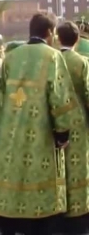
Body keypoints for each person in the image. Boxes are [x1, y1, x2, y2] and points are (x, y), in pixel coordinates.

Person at [0, 14, 82, 235]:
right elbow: (60, 97)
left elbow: (1, 94)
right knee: (40, 177)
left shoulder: (11, 56)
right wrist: (62, 132)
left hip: (12, 128)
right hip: (41, 131)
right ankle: (39, 224)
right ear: (49, 32)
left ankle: (10, 222)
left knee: (16, 173)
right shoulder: (53, 57)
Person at [56, 21, 89, 234]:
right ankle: (78, 216)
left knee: (59, 169)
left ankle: (58, 212)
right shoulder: (82, 62)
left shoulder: (51, 60)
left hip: (54, 121)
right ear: (78, 39)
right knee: (78, 169)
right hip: (78, 123)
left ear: (58, 38)